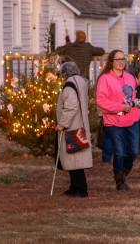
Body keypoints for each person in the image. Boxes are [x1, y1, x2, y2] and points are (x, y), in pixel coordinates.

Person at [96, 50, 140, 191]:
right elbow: (101, 102)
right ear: (111, 61)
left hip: (132, 121)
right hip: (114, 122)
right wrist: (121, 107)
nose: (121, 61)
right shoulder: (105, 79)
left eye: (123, 59)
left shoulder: (130, 78)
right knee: (119, 152)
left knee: (133, 151)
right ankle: (119, 181)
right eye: (118, 59)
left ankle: (123, 174)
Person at [54, 61, 92, 197]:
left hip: (72, 127)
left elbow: (71, 106)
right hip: (79, 125)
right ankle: (74, 187)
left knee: (74, 160)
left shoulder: (70, 85)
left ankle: (81, 190)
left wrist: (62, 124)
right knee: (75, 159)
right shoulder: (80, 81)